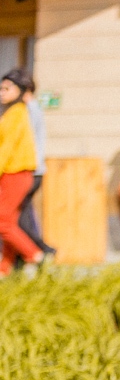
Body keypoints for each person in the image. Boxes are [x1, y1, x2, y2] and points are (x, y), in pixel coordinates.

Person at [0, 69, 44, 274]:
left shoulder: (18, 113)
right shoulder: (11, 113)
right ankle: (5, 268)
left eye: (7, 88)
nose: (2, 92)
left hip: (15, 173)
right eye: (1, 88)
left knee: (2, 222)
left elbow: (6, 148)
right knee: (9, 221)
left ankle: (34, 254)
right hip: (13, 172)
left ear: (19, 91)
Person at [18, 74, 54, 261]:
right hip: (33, 169)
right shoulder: (32, 108)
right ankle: (29, 255)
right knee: (23, 214)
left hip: (29, 169)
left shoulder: (28, 110)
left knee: (13, 218)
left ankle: (41, 250)